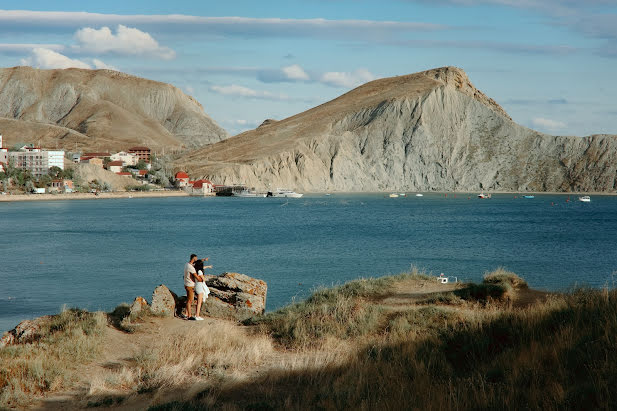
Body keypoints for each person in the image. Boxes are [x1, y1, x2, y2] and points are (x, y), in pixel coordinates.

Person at [182, 254, 198, 320]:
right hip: (190, 285)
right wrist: (202, 280)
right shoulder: (191, 268)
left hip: (186, 284)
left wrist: (203, 260)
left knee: (188, 299)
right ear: (194, 258)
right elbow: (196, 276)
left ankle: (186, 313)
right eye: (196, 258)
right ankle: (189, 316)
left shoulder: (187, 264)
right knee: (190, 301)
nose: (197, 259)